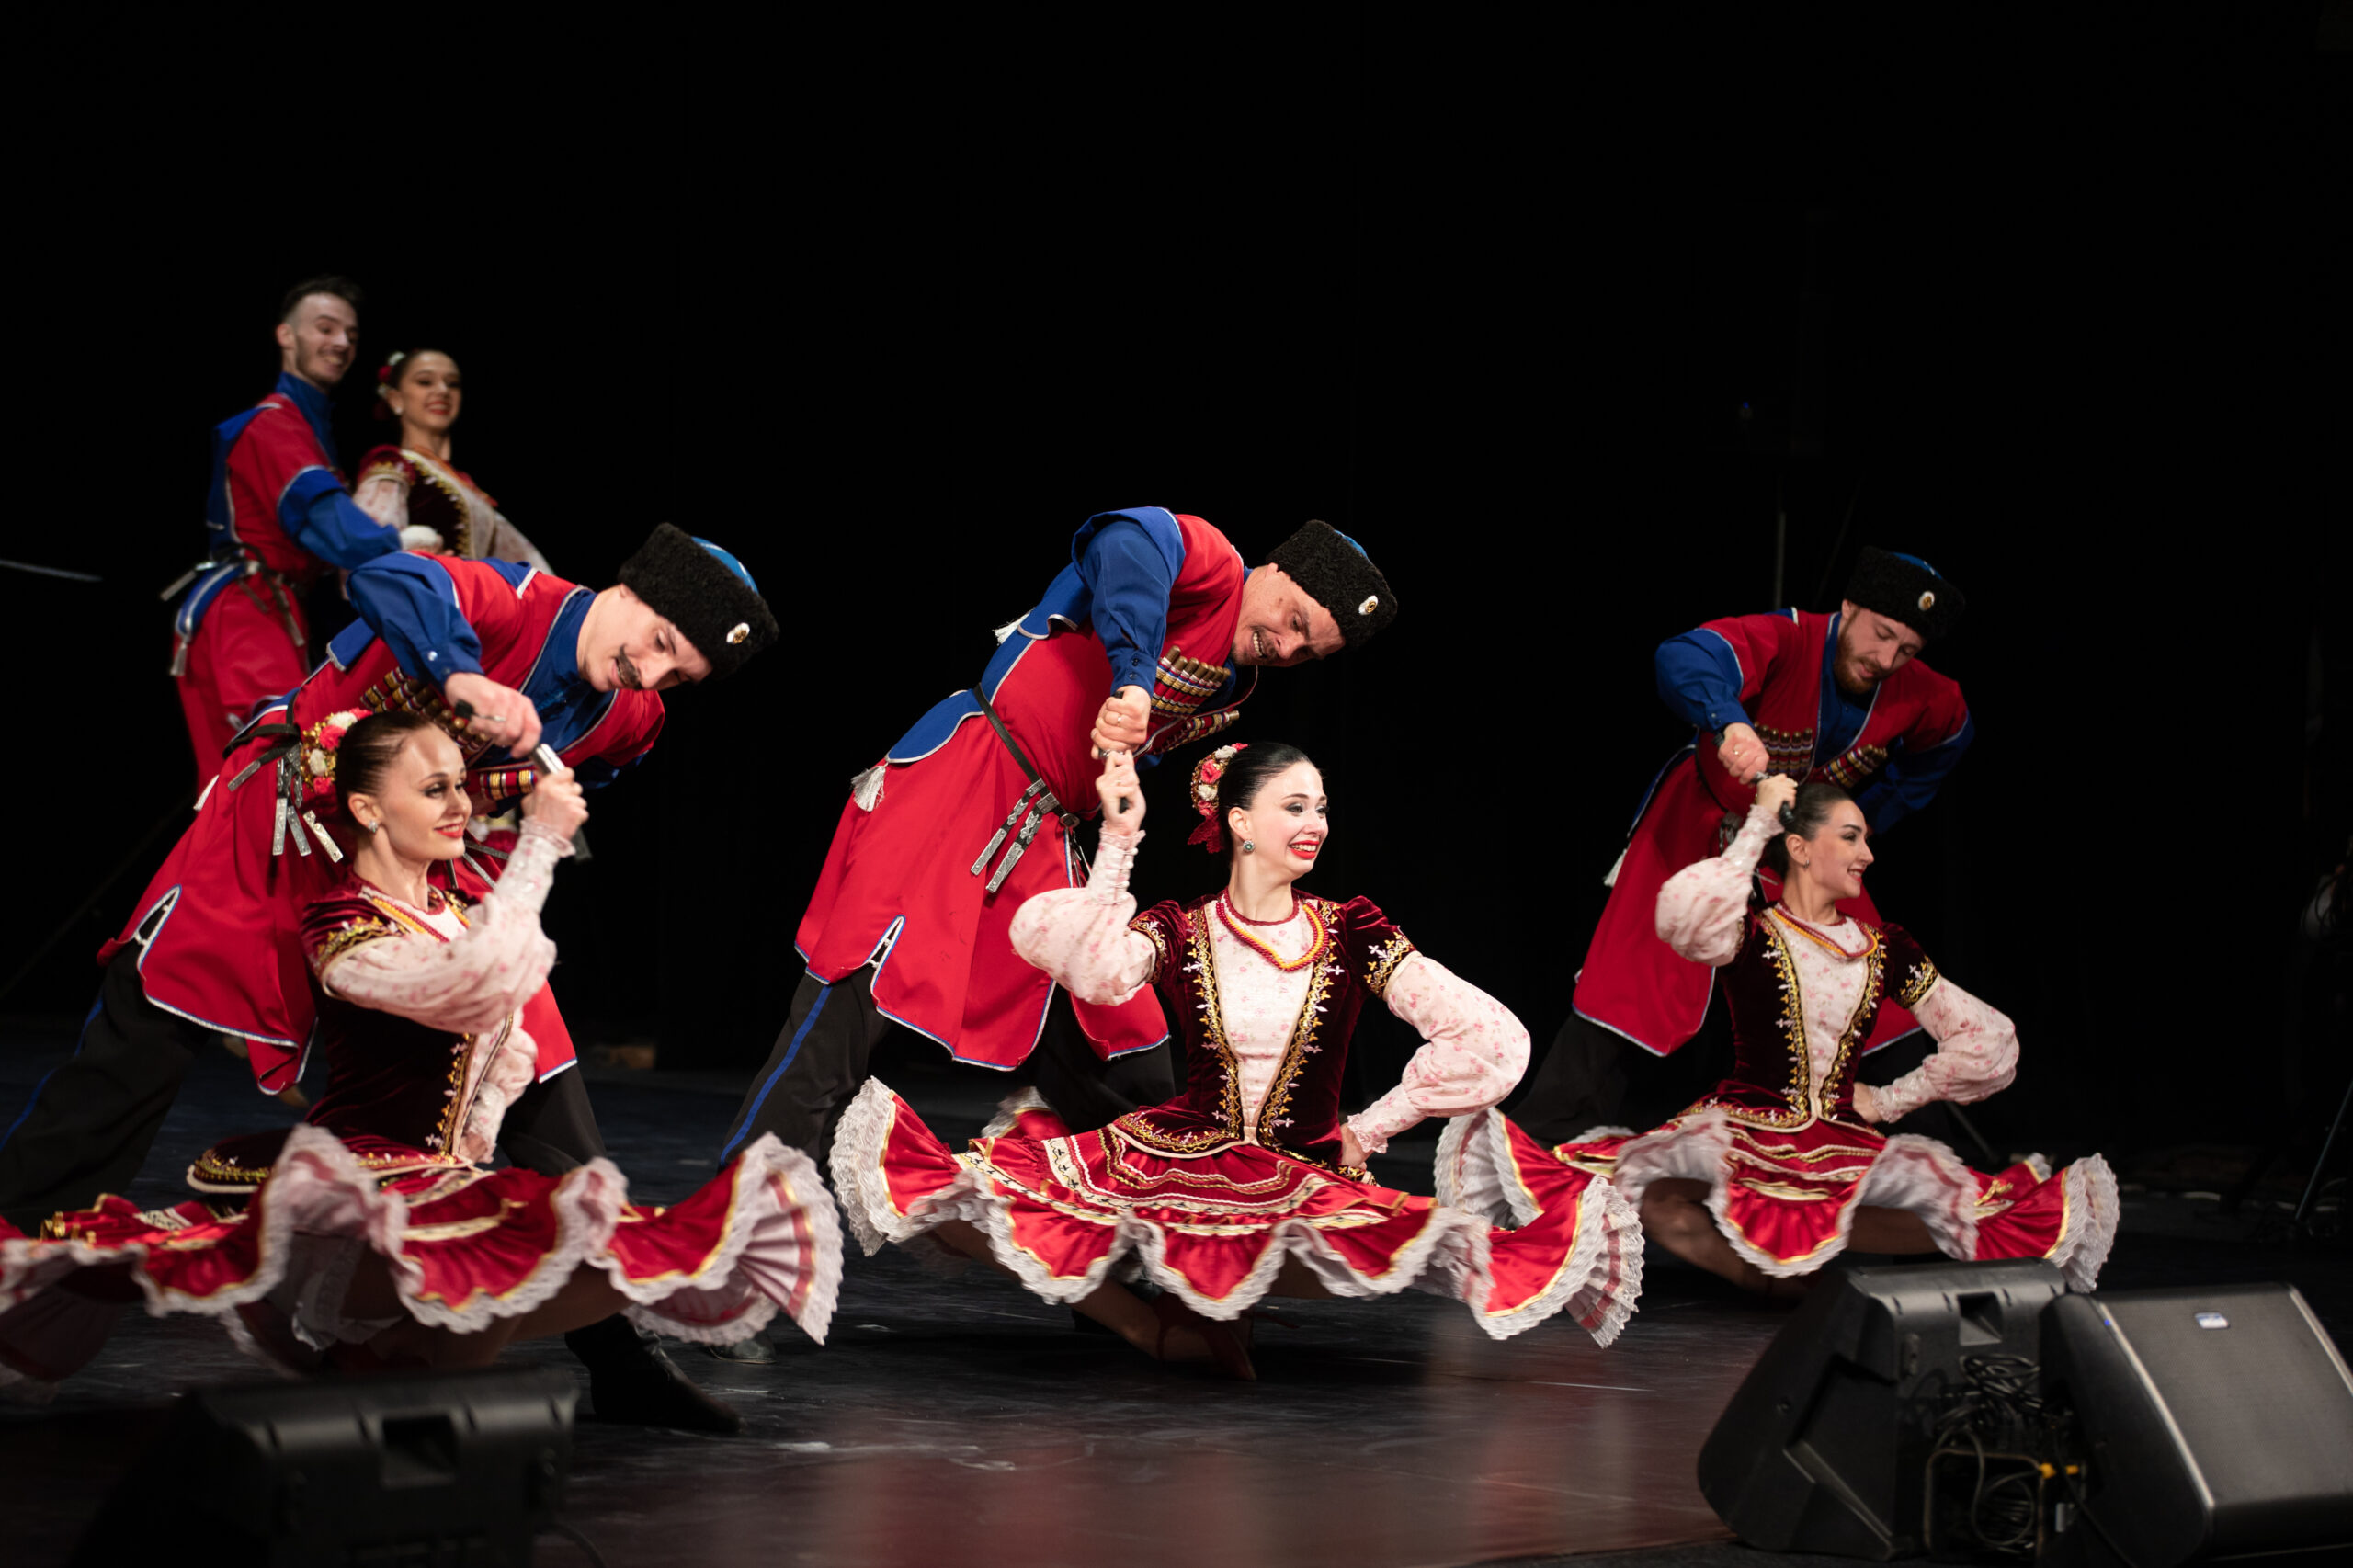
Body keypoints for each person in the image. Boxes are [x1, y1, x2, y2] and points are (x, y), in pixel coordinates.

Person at [0, 525, 777, 1426]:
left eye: (679, 675)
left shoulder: (629, 715)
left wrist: (508, 815)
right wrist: (461, 674)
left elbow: (591, 769)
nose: (653, 673)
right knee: (138, 1049)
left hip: (413, 870)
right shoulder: (511, 604)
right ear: (630, 591)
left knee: (537, 1076)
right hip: (283, 833)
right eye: (660, 644)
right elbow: (387, 574)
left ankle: (617, 1356)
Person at [829, 744, 1643, 1377]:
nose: (1316, 822)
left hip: (1298, 1169)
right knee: (960, 1197)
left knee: (1340, 1263)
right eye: (1295, 806)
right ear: (1241, 823)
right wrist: (1118, 840)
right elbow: (1090, 968)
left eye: (1322, 807)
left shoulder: (1354, 930)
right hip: (1182, 1157)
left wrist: (1371, 1128)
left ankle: (1202, 1323)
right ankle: (1150, 1328)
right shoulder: (1180, 929)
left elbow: (1492, 1039)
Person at [722, 509, 1399, 1171]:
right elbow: (1126, 540)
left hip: (1043, 831)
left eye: (1307, 652)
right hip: (967, 780)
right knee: (855, 998)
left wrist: (1122, 781)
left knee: (1123, 1042)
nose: (1287, 648)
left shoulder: (1235, 682)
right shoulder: (1215, 568)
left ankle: (1133, 1212)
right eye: (1295, 622)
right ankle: (745, 1203)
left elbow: (1118, 741)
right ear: (1276, 571)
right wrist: (1133, 680)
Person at [1448, 775, 2115, 1295]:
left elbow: (1988, 1041)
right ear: (1800, 848)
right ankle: (1767, 1283)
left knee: (1959, 1215)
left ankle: (1794, 1281)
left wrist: (1889, 1101)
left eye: (1865, 839)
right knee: (1637, 1198)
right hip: (1742, 1127)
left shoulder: (1886, 948)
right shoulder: (1750, 930)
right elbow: (1682, 914)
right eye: (1850, 838)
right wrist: (1759, 823)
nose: (1867, 854)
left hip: (1837, 1136)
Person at [1513, 548, 1977, 1142]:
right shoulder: (1787, 639)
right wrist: (1729, 720)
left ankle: (1920, 1153)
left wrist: (1862, 820)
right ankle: (1542, 1143)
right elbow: (1683, 655)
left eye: (1907, 650)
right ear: (1850, 607)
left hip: (1798, 849)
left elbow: (1947, 740)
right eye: (1882, 635)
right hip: (1702, 819)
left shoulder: (1924, 694)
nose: (1886, 660)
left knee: (1865, 976)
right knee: (1634, 979)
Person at [167, 277, 427, 789]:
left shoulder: (307, 430)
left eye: (351, 334)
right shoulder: (271, 425)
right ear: (286, 335)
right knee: (277, 765)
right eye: (325, 328)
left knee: (241, 783)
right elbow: (332, 528)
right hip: (246, 609)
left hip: (268, 608)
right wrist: (400, 545)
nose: (341, 343)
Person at [352, 348, 553, 572]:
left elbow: (528, 563)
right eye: (425, 382)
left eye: (453, 384)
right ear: (395, 399)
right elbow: (368, 554)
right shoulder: (393, 464)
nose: (443, 390)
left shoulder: (464, 484)